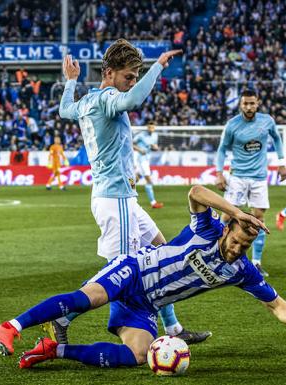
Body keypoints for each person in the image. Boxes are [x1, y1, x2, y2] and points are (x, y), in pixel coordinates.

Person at [0, 185, 286, 369]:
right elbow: (195, 191)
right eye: (237, 240)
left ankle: (53, 350)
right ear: (227, 230)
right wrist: (236, 211)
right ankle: (10, 327)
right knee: (90, 297)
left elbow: (275, 303)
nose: (238, 248)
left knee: (138, 355)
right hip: (134, 270)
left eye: (245, 245)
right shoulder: (207, 228)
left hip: (145, 304)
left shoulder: (241, 271)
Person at [57, 39, 210, 344]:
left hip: (118, 196)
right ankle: (63, 316)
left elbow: (65, 110)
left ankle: (174, 328)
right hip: (115, 199)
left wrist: (71, 82)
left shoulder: (88, 100)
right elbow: (133, 102)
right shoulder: (109, 98)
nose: (132, 83)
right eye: (129, 76)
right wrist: (158, 67)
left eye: (135, 78)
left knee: (160, 250)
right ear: (109, 72)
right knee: (119, 273)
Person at [214, 89, 286, 277]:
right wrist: (219, 173)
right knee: (226, 216)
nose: (248, 107)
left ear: (258, 103)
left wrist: (281, 164)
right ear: (240, 104)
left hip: (259, 178)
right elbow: (222, 149)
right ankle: (217, 257)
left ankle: (256, 263)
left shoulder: (267, 121)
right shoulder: (233, 125)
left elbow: (278, 140)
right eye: (245, 103)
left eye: (252, 103)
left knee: (259, 219)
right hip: (238, 176)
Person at [133, 122, 163, 208]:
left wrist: (155, 148)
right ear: (147, 127)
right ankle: (153, 203)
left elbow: (155, 146)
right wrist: (139, 150)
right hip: (140, 159)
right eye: (149, 127)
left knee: (135, 178)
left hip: (146, 158)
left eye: (152, 127)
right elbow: (131, 143)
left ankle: (127, 192)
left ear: (154, 128)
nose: (151, 129)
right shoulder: (141, 135)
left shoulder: (155, 135)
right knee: (149, 180)